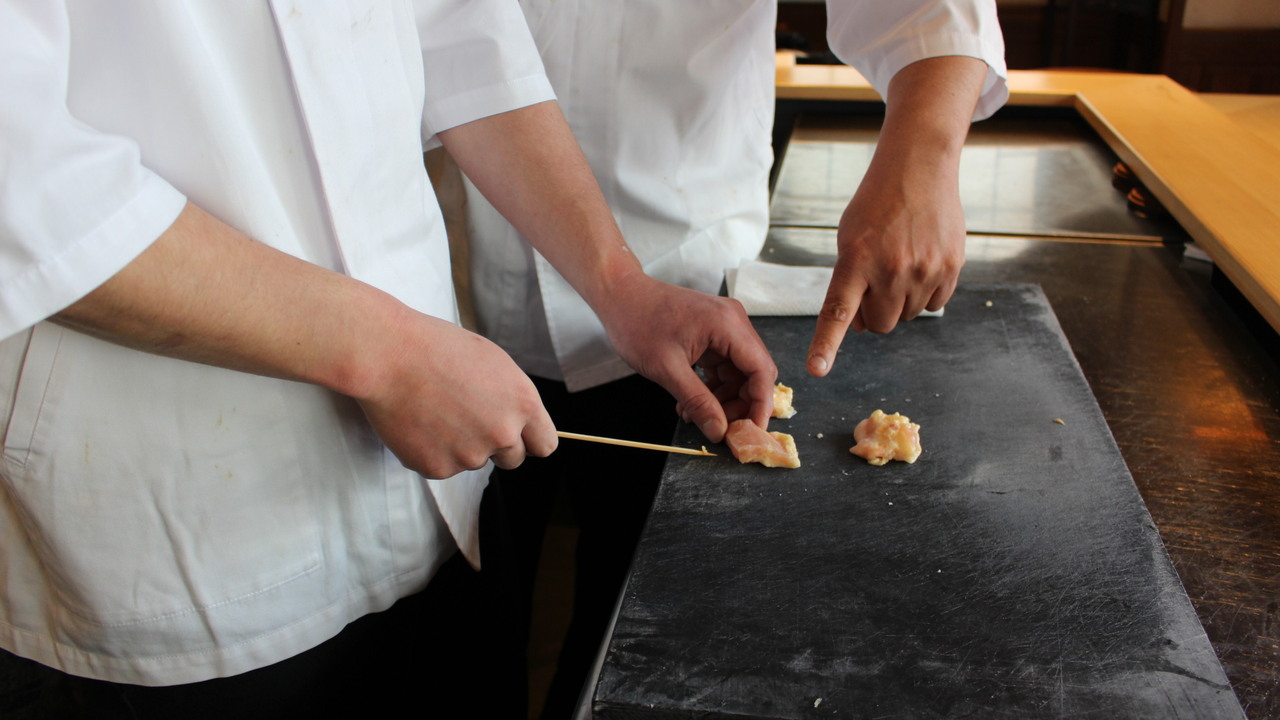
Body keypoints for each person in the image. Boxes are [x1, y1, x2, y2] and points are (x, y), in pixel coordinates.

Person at [0, 2, 775, 717]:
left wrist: (620, 286)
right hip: (179, 547)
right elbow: (26, 183)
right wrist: (385, 352)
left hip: (434, 505)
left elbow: (463, 35)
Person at [457, 2, 1009, 717]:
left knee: (639, 653)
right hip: (457, 308)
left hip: (693, 299)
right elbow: (455, 48)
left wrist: (926, 153)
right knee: (469, 644)